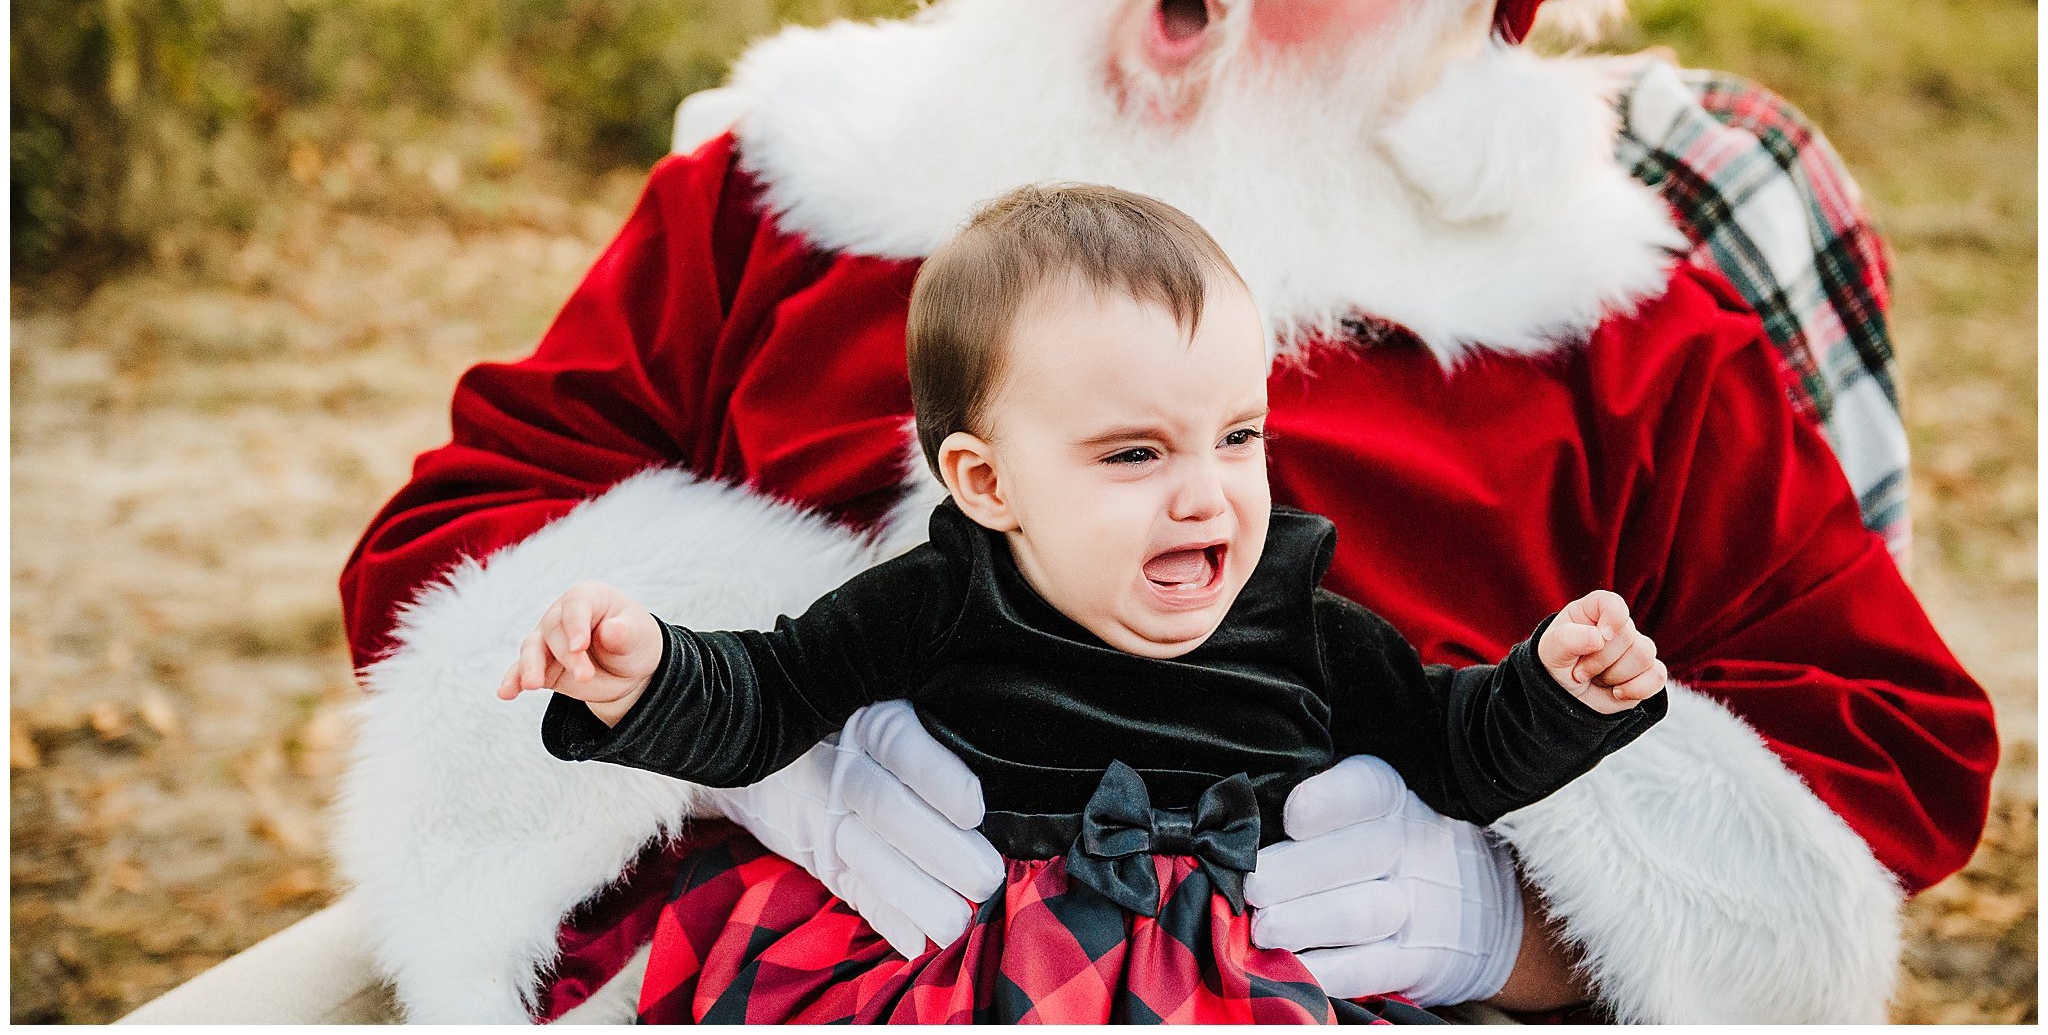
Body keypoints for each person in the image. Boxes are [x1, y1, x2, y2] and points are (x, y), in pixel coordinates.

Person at [332, 0, 1997, 1025]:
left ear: (1452, 10)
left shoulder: (1607, 340)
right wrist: (736, 728)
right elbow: (447, 546)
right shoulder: (789, 187)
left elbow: (1875, 749)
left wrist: (1513, 918)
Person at [496, 184, 1669, 1022]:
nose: (1204, 496)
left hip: (1244, 980)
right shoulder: (942, 598)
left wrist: (1554, 690)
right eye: (1132, 456)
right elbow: (769, 696)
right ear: (988, 483)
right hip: (965, 964)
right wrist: (643, 665)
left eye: (1236, 437)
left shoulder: (1298, 620)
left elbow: (1451, 751)